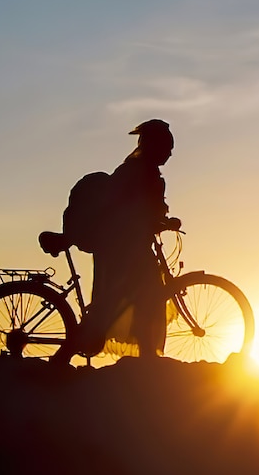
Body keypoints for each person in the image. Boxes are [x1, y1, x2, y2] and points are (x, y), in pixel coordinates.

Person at [52, 118, 180, 364]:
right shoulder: (138, 173)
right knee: (134, 298)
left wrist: (158, 221)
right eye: (167, 147)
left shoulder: (139, 171)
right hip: (123, 250)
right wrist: (163, 222)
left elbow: (140, 210)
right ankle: (66, 354)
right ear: (154, 146)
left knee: (142, 298)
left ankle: (145, 354)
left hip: (125, 247)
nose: (170, 153)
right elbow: (131, 210)